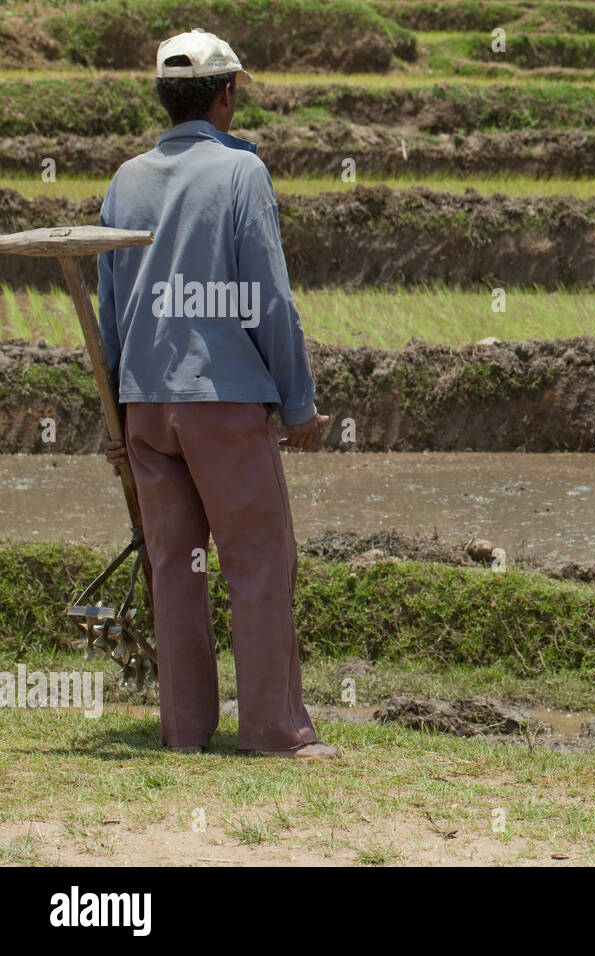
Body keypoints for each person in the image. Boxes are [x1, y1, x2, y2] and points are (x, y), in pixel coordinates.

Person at [99, 29, 337, 758]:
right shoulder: (241, 174)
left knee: (176, 565)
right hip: (222, 399)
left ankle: (185, 731)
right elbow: (268, 297)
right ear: (226, 94)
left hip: (145, 403)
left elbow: (111, 305)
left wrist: (118, 411)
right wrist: (297, 404)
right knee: (257, 559)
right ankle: (271, 730)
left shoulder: (125, 179)